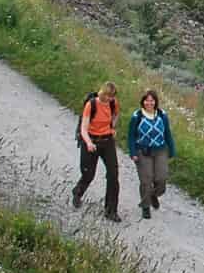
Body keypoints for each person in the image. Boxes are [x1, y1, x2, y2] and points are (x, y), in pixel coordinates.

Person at [73, 81, 122, 223]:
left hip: (107, 141)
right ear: (102, 92)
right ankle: (78, 192)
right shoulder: (91, 104)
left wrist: (112, 127)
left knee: (113, 174)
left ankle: (111, 210)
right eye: (106, 95)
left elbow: (116, 115)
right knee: (88, 173)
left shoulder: (113, 103)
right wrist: (88, 143)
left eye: (111, 96)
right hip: (91, 139)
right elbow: (84, 128)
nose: (108, 99)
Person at [125, 89, 176, 219]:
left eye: (152, 100)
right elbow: (131, 136)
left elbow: (167, 133)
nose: (149, 103)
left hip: (160, 150)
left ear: (155, 102)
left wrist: (172, 149)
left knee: (162, 178)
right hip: (143, 151)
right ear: (143, 101)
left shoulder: (162, 115)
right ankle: (145, 206)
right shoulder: (137, 116)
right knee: (146, 180)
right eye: (147, 100)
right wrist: (133, 152)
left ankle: (153, 194)